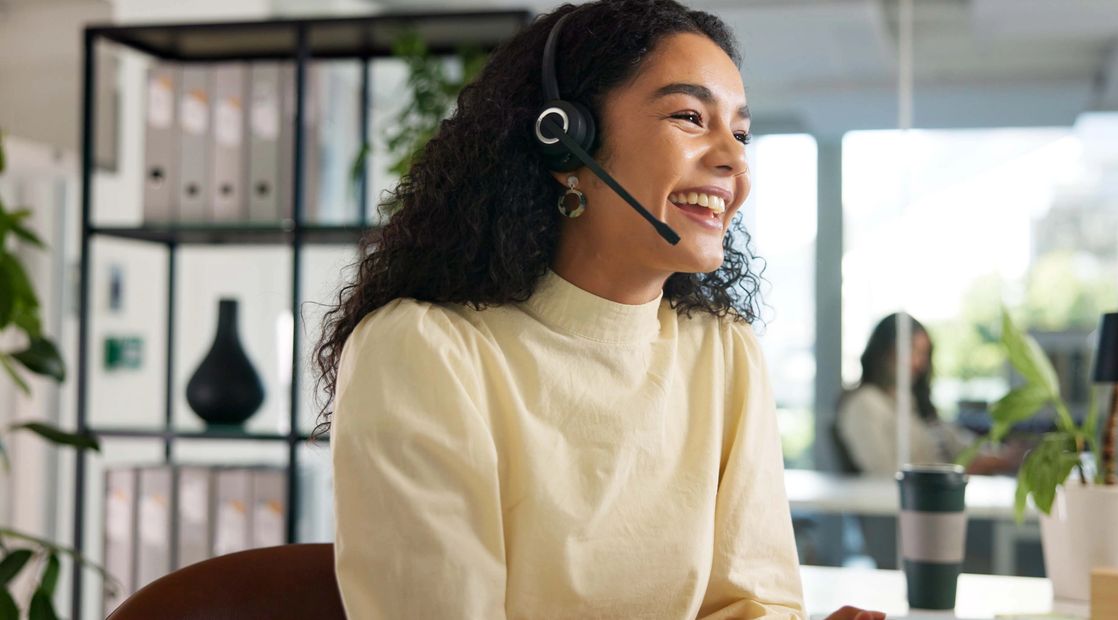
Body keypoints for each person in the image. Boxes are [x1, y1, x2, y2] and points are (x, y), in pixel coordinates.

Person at [312, 1, 883, 618]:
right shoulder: (424, 350)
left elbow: (750, 602)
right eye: (691, 117)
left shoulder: (721, 350)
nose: (735, 161)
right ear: (566, 144)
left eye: (741, 133)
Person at [835, 313, 1016, 476]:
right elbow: (883, 474)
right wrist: (963, 471)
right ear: (884, 350)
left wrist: (1001, 456)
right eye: (911, 350)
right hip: (908, 505)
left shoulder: (912, 404)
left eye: (923, 354)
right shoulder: (865, 403)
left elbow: (960, 444)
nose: (918, 363)